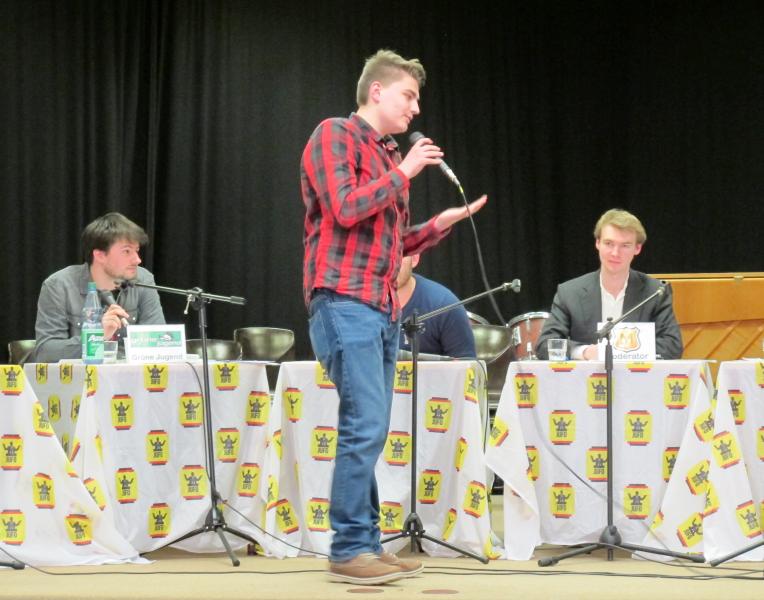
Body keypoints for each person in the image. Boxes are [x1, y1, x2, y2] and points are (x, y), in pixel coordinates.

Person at [301, 49, 486, 585]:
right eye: (409, 95)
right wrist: (404, 172)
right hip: (343, 300)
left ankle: (365, 543)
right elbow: (345, 208)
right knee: (363, 426)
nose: (415, 108)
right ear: (377, 91)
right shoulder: (334, 134)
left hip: (379, 307)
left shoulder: (386, 155)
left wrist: (437, 224)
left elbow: (389, 241)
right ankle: (347, 549)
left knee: (372, 428)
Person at [536, 208, 682, 360]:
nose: (615, 253)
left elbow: (672, 346)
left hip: (637, 375)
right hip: (585, 375)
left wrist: (616, 352)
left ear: (637, 248)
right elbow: (545, 345)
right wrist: (584, 352)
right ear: (597, 243)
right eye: (609, 243)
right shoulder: (569, 292)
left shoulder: (655, 292)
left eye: (625, 245)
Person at [30, 212, 165, 363]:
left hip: (130, 375)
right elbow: (46, 352)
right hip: (80, 376)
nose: (137, 260)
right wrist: (97, 335)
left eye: (137, 250)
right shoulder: (59, 286)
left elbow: (159, 341)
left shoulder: (143, 279)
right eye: (127, 251)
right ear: (100, 255)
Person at [397, 254, 476, 358]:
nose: (390, 264)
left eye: (398, 254)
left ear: (414, 258)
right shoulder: (372, 308)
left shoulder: (445, 304)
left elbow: (466, 365)